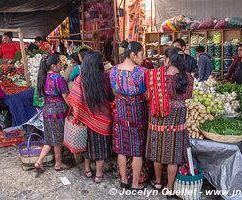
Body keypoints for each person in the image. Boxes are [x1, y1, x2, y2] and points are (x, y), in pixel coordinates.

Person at [145, 47, 193, 196]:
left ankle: (158, 182)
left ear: (167, 60)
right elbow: (187, 96)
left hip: (159, 114)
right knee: (173, 153)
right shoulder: (187, 77)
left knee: (158, 149)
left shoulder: (156, 76)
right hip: (178, 116)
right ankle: (170, 188)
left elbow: (148, 96)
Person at [68, 51, 113, 183]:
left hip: (85, 119)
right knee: (101, 146)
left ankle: (87, 169)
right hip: (102, 120)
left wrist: (78, 115)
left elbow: (75, 100)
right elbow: (111, 97)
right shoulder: (105, 78)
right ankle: (98, 174)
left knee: (86, 145)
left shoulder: (79, 80)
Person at [109, 41, 148, 190]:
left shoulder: (113, 70)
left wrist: (123, 98)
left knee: (122, 148)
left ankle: (124, 180)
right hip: (137, 113)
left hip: (120, 112)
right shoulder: (142, 72)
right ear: (133, 55)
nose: (143, 57)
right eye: (141, 54)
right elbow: (146, 95)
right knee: (137, 149)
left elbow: (114, 92)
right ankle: (135, 183)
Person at [34, 54, 70, 172]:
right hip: (58, 110)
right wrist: (73, 108)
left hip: (47, 110)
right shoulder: (58, 77)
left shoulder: (42, 77)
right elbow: (65, 96)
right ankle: (58, 164)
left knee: (49, 138)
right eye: (60, 64)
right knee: (58, 139)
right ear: (53, 66)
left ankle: (39, 161)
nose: (61, 66)